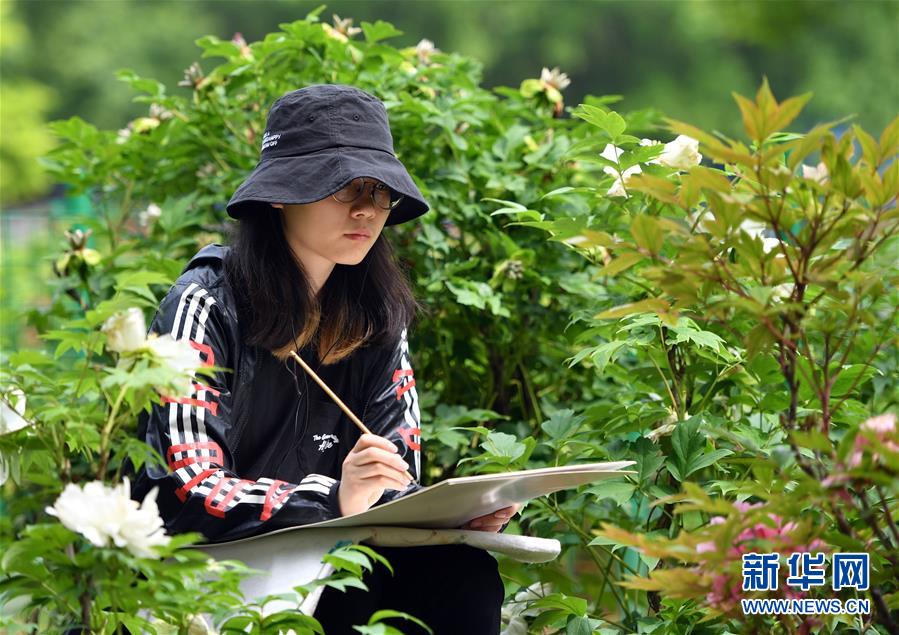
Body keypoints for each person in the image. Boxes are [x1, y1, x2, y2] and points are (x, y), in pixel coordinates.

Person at [131, 84, 520, 634]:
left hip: (334, 553)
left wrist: (455, 514)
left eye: (380, 192)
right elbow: (187, 486)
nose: (366, 210)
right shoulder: (205, 303)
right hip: (208, 572)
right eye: (342, 189)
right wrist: (335, 496)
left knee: (463, 573)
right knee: (346, 585)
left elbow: (394, 473)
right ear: (280, 196)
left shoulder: (380, 315)